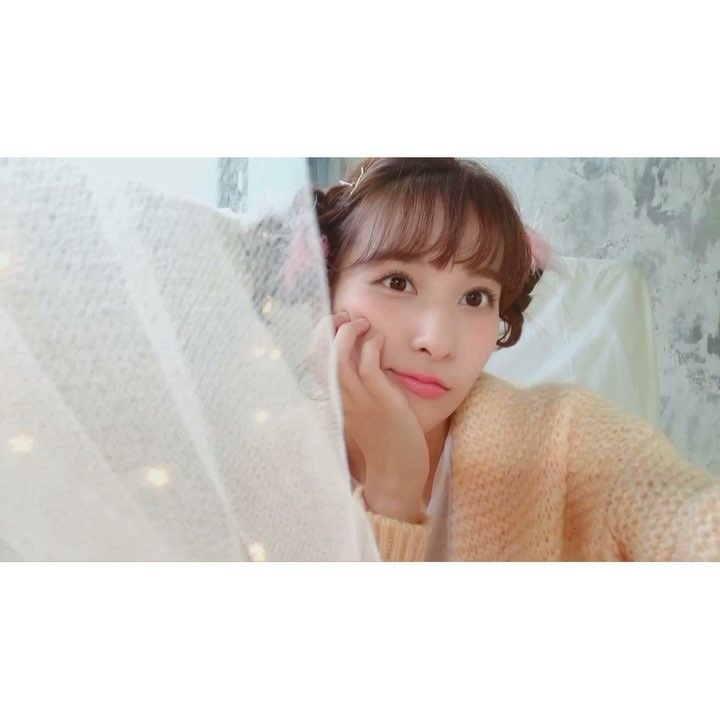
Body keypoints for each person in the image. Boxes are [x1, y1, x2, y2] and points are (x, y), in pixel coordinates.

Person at [311, 157, 720, 561]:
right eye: (398, 282)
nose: (437, 342)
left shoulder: (565, 439)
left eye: (476, 297)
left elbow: (692, 519)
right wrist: (393, 493)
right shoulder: (277, 463)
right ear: (325, 286)